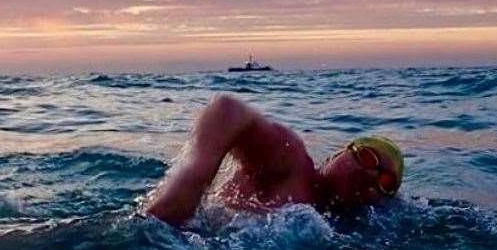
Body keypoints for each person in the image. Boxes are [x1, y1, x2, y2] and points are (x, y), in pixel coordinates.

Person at [143, 94, 404, 226]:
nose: (371, 176)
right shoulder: (291, 162)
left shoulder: (344, 231)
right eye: (368, 159)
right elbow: (227, 110)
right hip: (173, 241)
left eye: (385, 181)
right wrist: (190, 184)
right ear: (340, 154)